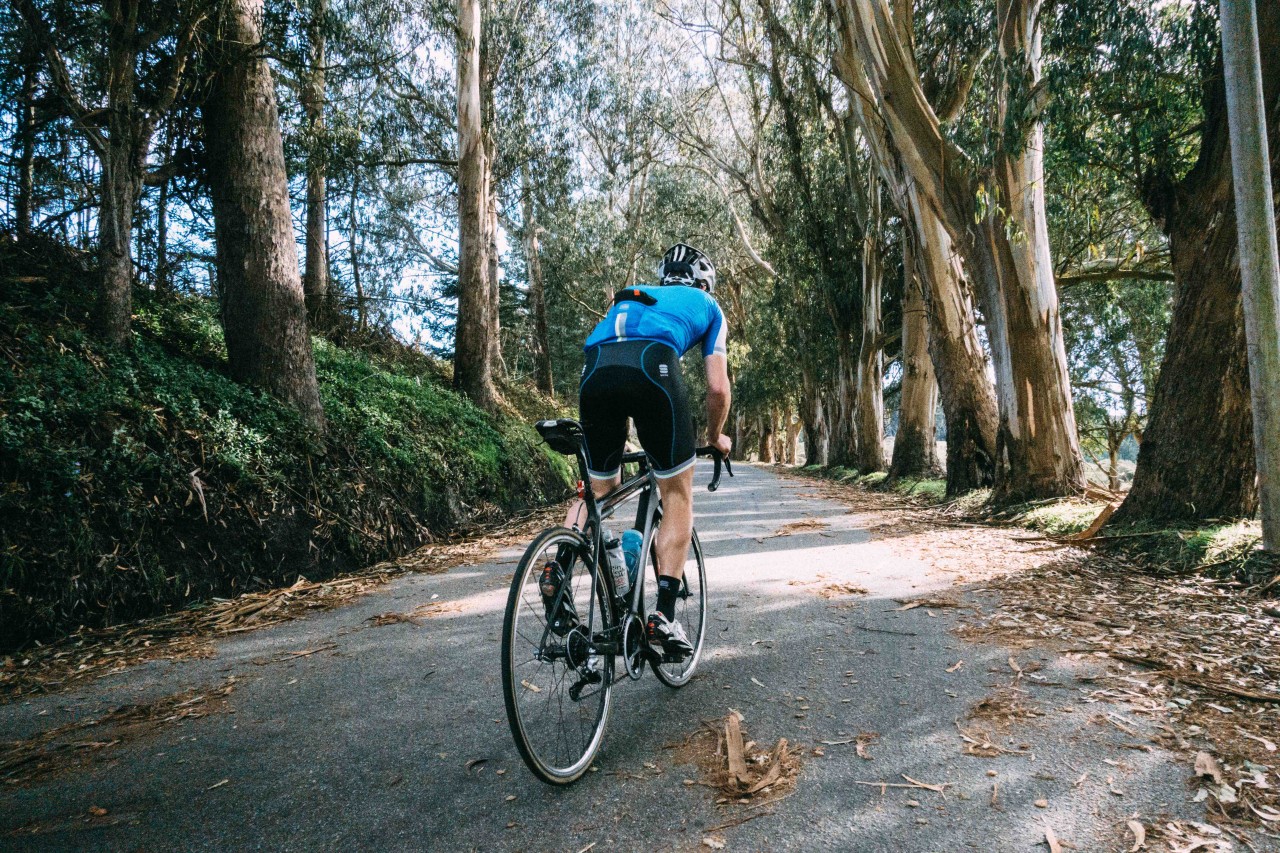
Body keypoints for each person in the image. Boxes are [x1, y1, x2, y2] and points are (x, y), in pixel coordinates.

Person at [541, 243, 733, 660]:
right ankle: (663, 618)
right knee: (677, 494)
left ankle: (557, 566)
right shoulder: (709, 305)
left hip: (596, 369)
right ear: (704, 282)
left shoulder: (641, 293)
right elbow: (717, 389)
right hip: (652, 365)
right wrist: (717, 436)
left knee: (598, 492)